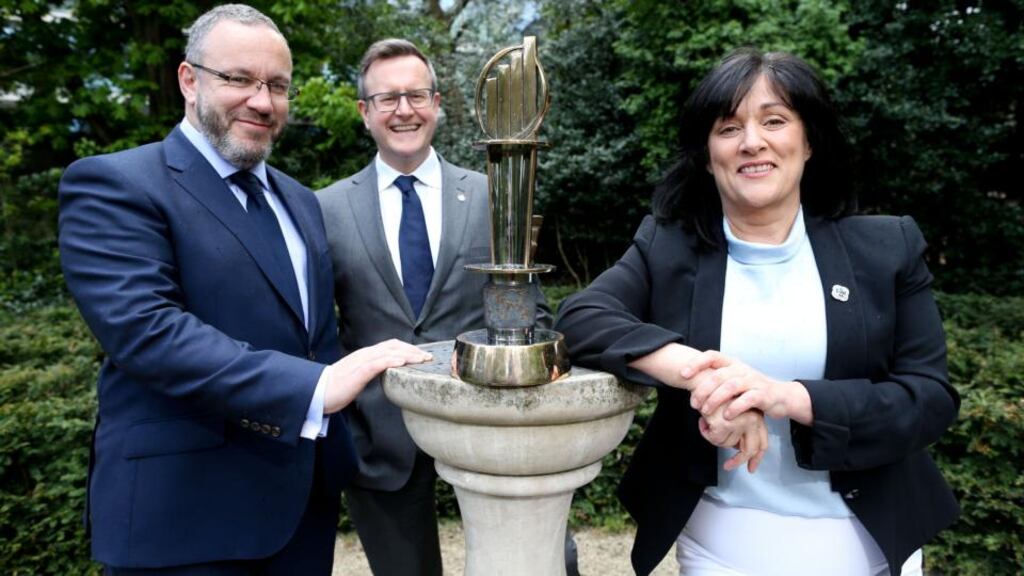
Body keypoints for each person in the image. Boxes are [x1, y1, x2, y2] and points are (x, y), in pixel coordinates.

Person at [554, 48, 960, 576]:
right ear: (707, 154)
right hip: (722, 542)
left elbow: (928, 399)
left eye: (774, 121)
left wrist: (785, 397)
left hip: (872, 542)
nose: (751, 142)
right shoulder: (669, 246)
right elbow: (579, 317)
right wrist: (708, 378)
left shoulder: (886, 247)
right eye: (728, 128)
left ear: (808, 141)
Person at [58, 5, 430, 574]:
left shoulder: (299, 199)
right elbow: (148, 332)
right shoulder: (114, 184)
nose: (262, 101)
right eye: (238, 79)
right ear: (189, 80)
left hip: (302, 509)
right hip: (184, 518)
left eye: (277, 85)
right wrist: (317, 387)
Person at [315, 39, 578, 576]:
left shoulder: (493, 193)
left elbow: (532, 310)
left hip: (491, 425)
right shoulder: (325, 207)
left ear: (437, 104)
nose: (404, 110)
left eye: (416, 95)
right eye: (387, 98)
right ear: (364, 111)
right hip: (378, 437)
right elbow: (319, 327)